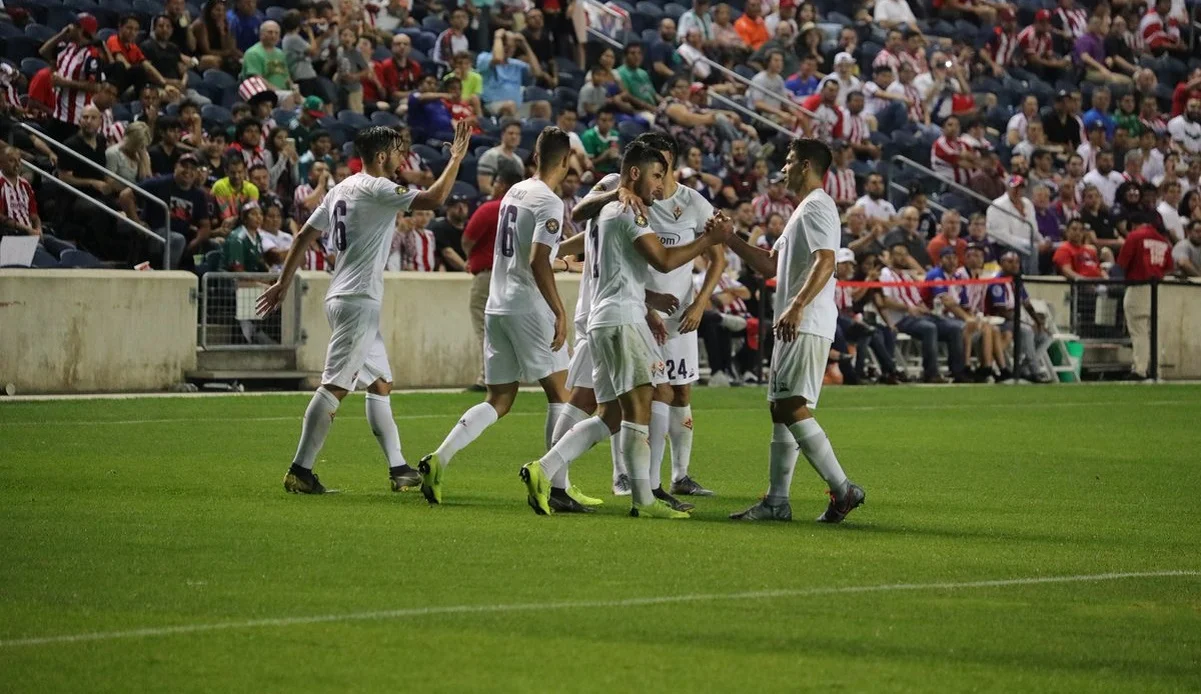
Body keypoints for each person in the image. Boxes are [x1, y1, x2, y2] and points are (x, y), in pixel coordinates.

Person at [256, 121, 471, 495]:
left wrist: (283, 282)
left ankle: (399, 469)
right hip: (357, 301)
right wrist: (455, 159)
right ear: (382, 156)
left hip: (344, 296)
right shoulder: (377, 187)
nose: (403, 159)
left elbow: (305, 234)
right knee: (335, 386)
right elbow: (434, 199)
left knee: (380, 383)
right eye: (399, 152)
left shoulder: (341, 188)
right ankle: (301, 470)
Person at [520, 140, 732, 518]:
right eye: (655, 176)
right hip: (622, 320)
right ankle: (643, 498)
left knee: (611, 414)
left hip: (609, 317)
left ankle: (545, 468)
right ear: (635, 173)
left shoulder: (607, 209)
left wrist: (649, 300)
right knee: (641, 404)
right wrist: (707, 240)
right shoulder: (627, 210)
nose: (660, 185)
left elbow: (622, 268)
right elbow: (663, 260)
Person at [419, 127, 577, 507]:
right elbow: (537, 260)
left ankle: (439, 458)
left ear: (534, 158)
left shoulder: (514, 192)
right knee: (561, 393)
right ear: (566, 161)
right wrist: (559, 311)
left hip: (497, 305)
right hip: (528, 307)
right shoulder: (550, 202)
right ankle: (557, 488)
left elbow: (526, 253)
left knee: (500, 399)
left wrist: (562, 264)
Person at [714, 138, 866, 522]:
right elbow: (771, 264)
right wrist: (729, 238)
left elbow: (826, 261)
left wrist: (797, 305)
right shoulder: (803, 209)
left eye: (789, 160)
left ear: (806, 165)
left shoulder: (817, 206)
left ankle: (843, 489)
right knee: (780, 406)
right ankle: (778, 501)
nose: (783, 167)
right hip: (794, 321)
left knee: (790, 404)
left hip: (805, 319)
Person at [461, 165, 525, 392]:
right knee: (515, 328)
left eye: (497, 182)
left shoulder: (489, 209)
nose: (493, 186)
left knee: (485, 327)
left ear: (503, 185)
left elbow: (467, 240)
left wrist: (471, 257)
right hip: (517, 276)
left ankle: (487, 376)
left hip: (488, 275)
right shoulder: (526, 209)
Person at [1118, 223, 1174, 379]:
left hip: (1138, 286)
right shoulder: (1162, 240)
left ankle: (1140, 369)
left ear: (1134, 225)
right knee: (1154, 331)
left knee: (1139, 331)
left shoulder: (1135, 236)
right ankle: (1154, 369)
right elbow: (1169, 267)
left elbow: (1122, 262)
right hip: (1158, 288)